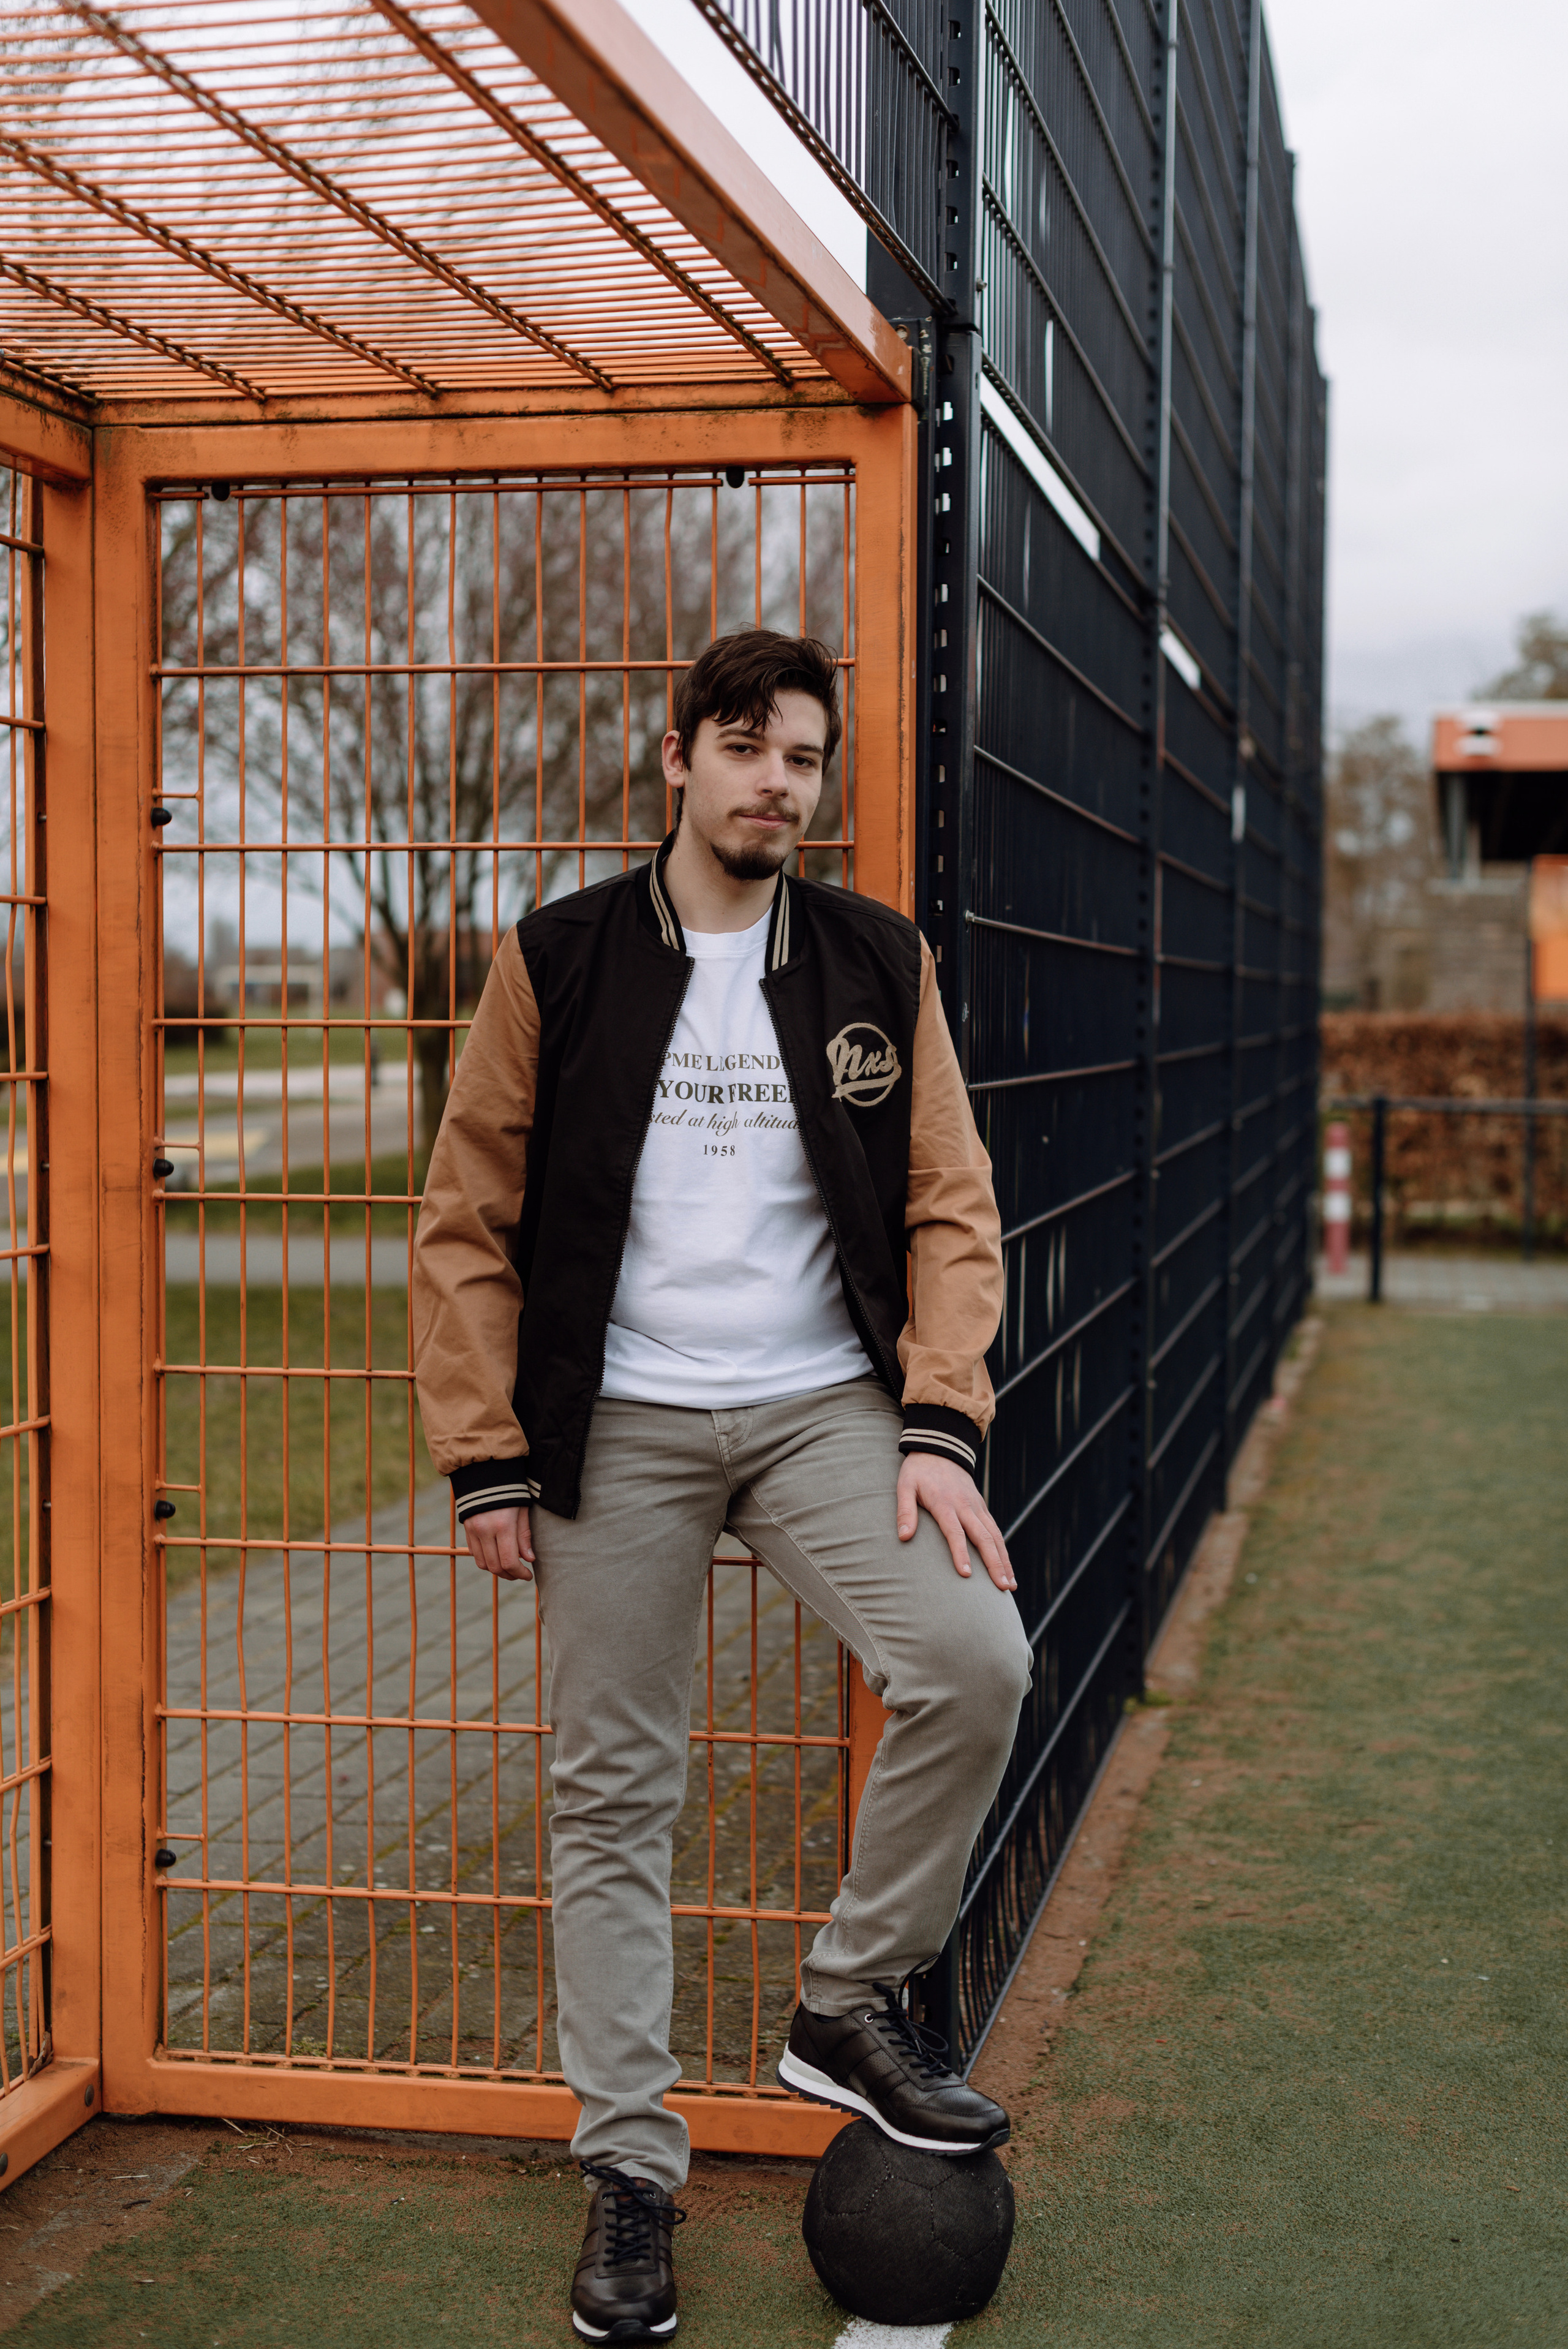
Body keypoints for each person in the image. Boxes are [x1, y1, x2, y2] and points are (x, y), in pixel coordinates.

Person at [412, 628, 1030, 2343]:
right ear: (674, 756)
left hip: (825, 1403)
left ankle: (847, 1999)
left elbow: (949, 1207)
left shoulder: (873, 960)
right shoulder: (561, 959)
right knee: (615, 1793)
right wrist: (487, 1446)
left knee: (976, 1658)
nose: (777, 779)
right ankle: (630, 2174)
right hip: (612, 1421)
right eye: (747, 745)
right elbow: (466, 1215)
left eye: (805, 756)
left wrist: (937, 1417)